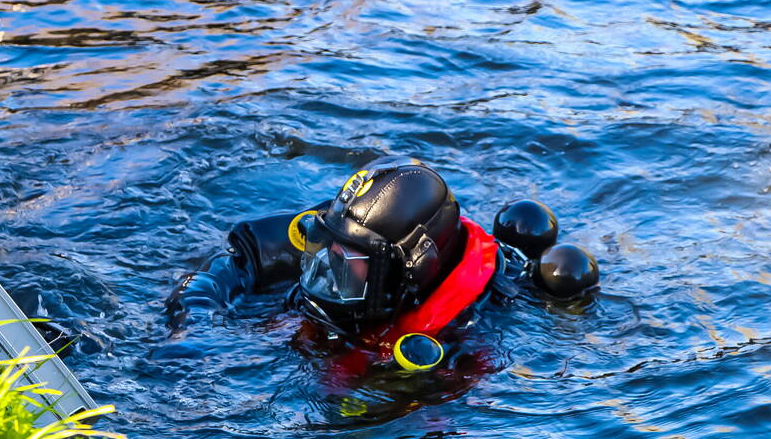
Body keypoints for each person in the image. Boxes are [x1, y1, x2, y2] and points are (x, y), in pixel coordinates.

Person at [165, 156, 599, 372]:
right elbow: (237, 262)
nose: (320, 283)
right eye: (320, 257)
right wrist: (194, 325)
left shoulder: (468, 340)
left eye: (344, 271)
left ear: (405, 275)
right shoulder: (348, 231)